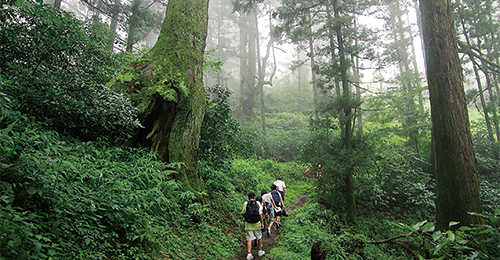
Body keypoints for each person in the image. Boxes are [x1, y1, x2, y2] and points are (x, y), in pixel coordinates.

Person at [241, 192, 266, 260]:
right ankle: (260, 251)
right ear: (254, 197)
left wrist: (246, 218)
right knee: (259, 237)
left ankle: (249, 253)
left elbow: (243, 213)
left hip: (248, 224)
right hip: (256, 223)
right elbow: (260, 214)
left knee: (249, 238)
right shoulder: (257, 203)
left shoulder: (245, 204)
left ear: (248, 197)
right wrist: (262, 223)